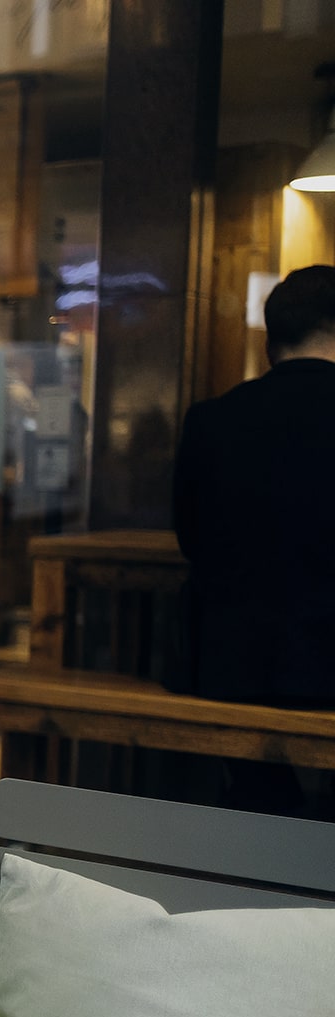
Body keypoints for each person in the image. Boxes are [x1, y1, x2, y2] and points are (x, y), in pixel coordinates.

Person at [170, 264, 335, 812]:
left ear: (271, 341)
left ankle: (267, 835)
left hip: (225, 664)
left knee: (259, 789)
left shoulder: (211, 420)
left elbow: (191, 540)